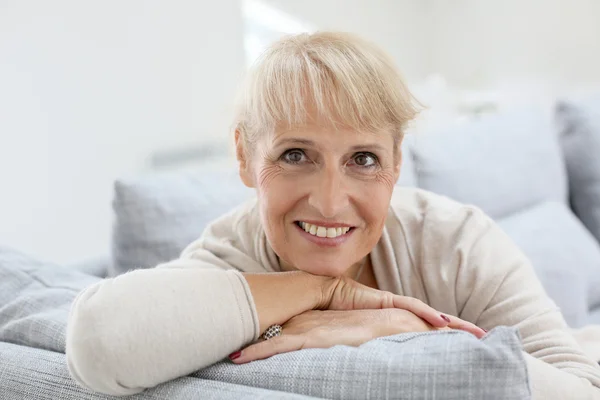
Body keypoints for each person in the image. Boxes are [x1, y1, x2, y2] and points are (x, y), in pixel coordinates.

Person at [66, 32, 600, 398]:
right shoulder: (229, 257)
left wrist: (402, 333)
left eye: (363, 160)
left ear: (395, 166)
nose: (328, 201)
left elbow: (580, 389)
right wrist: (325, 292)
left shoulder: (456, 239)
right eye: (295, 155)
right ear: (243, 157)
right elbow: (95, 344)